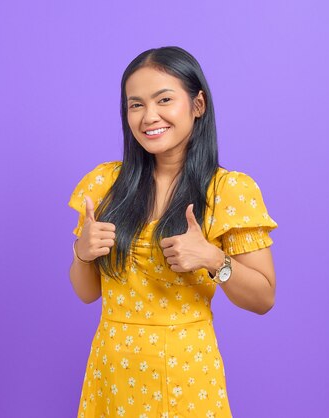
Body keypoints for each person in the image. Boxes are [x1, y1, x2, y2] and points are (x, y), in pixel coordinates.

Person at [68, 46, 278, 418]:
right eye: (135, 105)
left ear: (198, 105)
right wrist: (83, 253)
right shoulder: (105, 184)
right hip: (113, 371)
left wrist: (214, 259)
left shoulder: (228, 190)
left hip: (185, 373)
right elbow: (87, 294)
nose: (150, 117)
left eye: (164, 100)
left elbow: (263, 299)